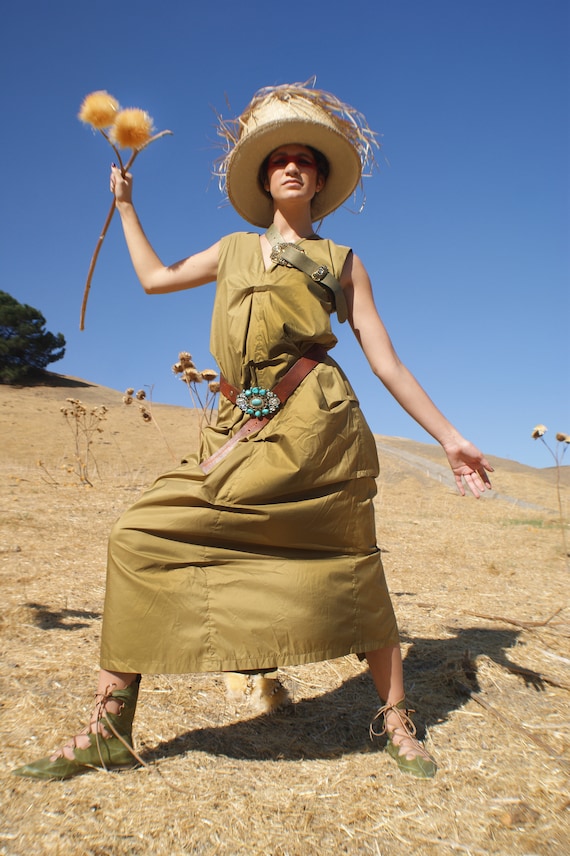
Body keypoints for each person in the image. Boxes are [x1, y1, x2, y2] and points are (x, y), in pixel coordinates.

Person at [14, 82, 492, 782]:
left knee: (351, 557)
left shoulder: (343, 262)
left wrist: (450, 436)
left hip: (318, 428)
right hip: (238, 426)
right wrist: (125, 207)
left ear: (320, 179)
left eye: (306, 159)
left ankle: (396, 719)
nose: (293, 166)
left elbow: (385, 361)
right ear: (265, 177)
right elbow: (153, 278)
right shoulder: (233, 249)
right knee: (138, 535)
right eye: (279, 159)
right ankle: (111, 727)